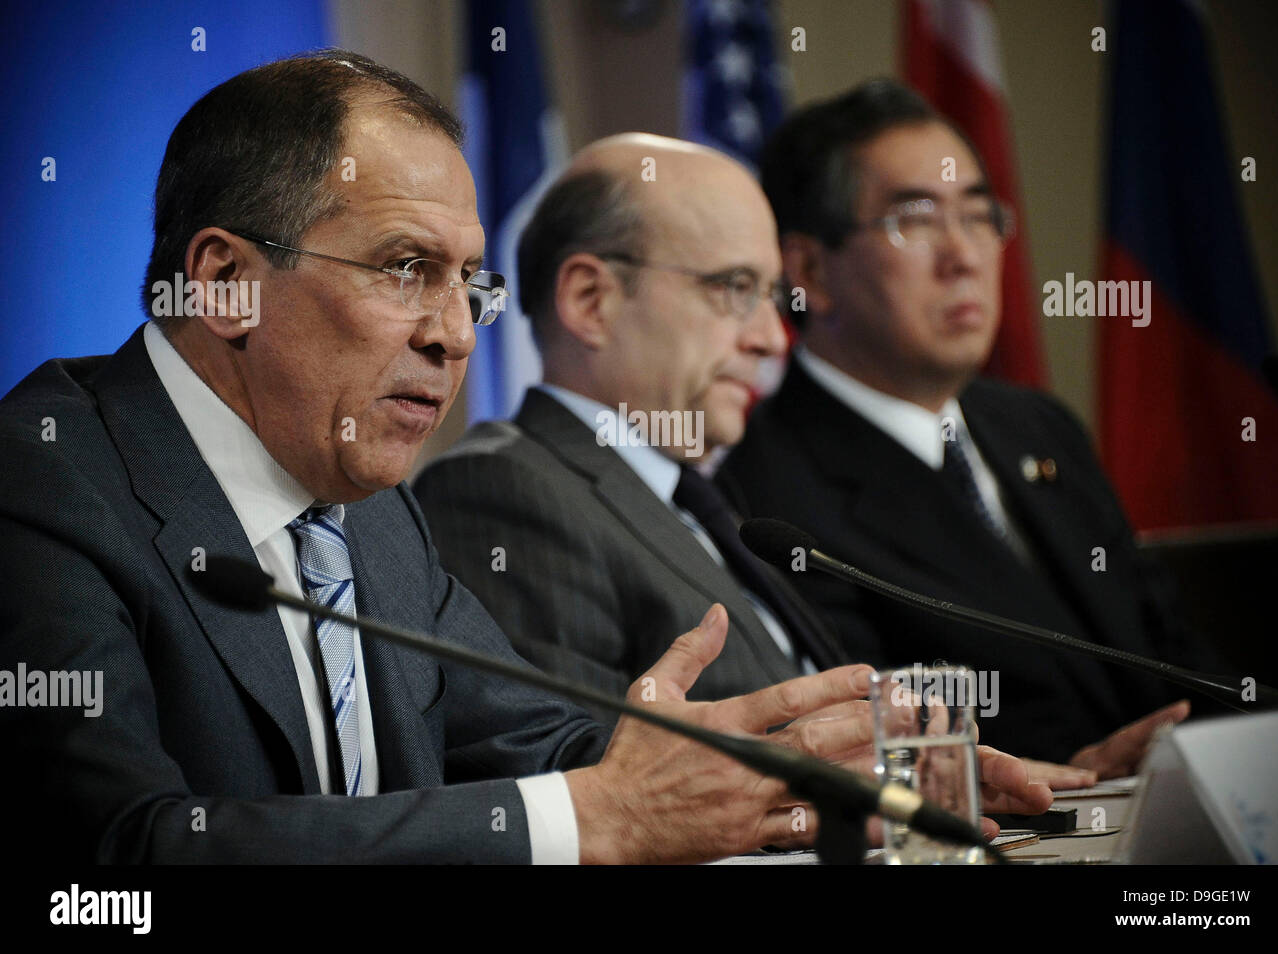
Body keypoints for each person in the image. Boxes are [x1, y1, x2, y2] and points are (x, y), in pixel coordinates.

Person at [0, 53, 915, 865]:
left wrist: (806, 777)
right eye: (406, 269)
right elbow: (116, 854)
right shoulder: (43, 479)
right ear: (225, 283)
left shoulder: (367, 505)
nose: (455, 335)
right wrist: (591, 819)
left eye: (469, 285)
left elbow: (542, 749)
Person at [414, 133, 1071, 800]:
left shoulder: (706, 494)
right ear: (591, 300)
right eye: (734, 289)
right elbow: (588, 791)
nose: (771, 337)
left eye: (772, 295)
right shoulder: (503, 490)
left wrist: (937, 778)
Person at [718, 80, 1216, 772]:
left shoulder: (1040, 429)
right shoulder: (764, 495)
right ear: (808, 270)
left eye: (980, 216)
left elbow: (1175, 652)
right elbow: (875, 742)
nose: (965, 256)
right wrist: (1077, 774)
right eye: (916, 220)